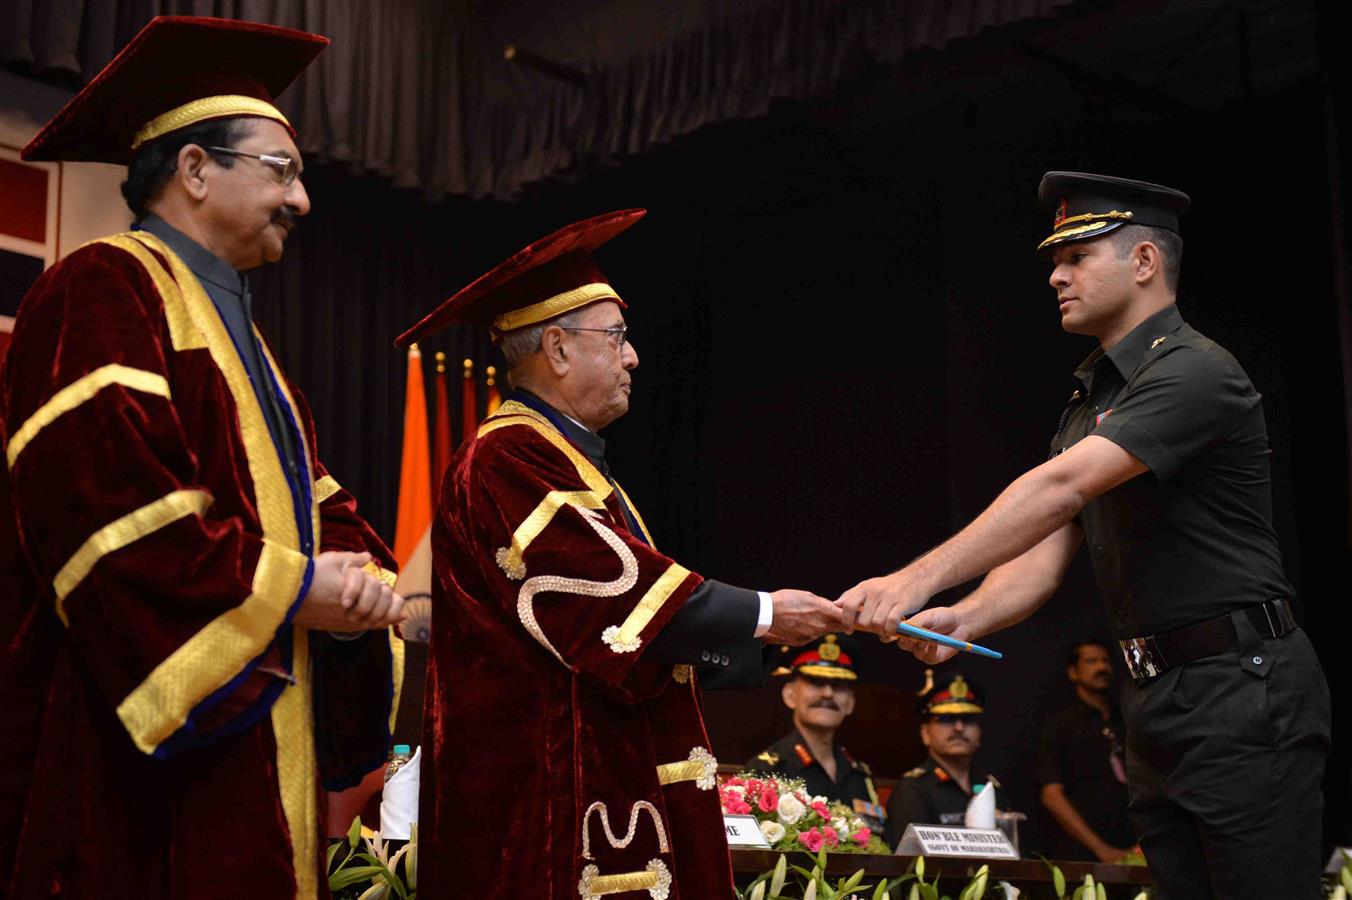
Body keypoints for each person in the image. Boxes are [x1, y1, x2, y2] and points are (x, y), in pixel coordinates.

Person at [0, 17, 405, 900]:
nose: (302, 202)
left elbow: (320, 507)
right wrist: (299, 589)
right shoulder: (101, 285)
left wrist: (370, 589)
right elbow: (107, 506)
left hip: (258, 743)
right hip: (133, 769)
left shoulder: (248, 341)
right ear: (193, 169)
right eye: (282, 170)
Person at [839, 172, 1331, 898]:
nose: (1056, 276)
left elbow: (1057, 488)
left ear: (1144, 263)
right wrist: (962, 617)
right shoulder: (1094, 396)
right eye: (1052, 261)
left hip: (1241, 686)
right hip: (1156, 697)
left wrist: (914, 581)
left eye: (1077, 257)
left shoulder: (1195, 370)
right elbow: (1046, 549)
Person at [397, 208, 843, 898]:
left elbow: (644, 632)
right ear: (558, 347)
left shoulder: (570, 461)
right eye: (618, 337)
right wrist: (763, 613)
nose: (634, 356)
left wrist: (776, 637)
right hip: (545, 801)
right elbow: (619, 602)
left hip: (586, 775)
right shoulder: (507, 456)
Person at [747, 635, 885, 831]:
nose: (827, 693)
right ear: (790, 695)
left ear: (850, 703)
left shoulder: (860, 776)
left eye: (838, 684)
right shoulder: (768, 770)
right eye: (815, 681)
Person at [1035, 640, 1135, 862]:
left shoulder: (1128, 721)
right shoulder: (1060, 726)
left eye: (1105, 661)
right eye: (1091, 661)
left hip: (1138, 851)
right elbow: (1051, 795)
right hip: (1084, 856)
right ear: (1073, 672)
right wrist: (1100, 849)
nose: (1101, 667)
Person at [883, 671, 990, 849]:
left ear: (979, 732)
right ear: (925, 733)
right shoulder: (913, 790)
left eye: (968, 719)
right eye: (946, 719)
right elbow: (909, 865)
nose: (959, 728)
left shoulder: (988, 787)